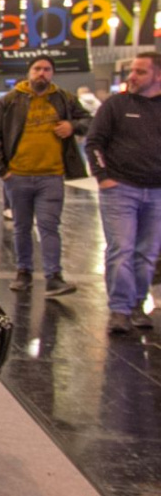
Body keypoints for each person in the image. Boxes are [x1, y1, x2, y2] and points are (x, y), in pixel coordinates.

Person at [0, 54, 91, 297]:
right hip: (17, 176)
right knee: (21, 227)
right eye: (37, 69)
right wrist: (2, 170)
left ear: (52, 73)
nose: (41, 73)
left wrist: (72, 126)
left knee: (49, 227)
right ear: (29, 72)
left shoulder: (64, 98)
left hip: (51, 176)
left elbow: (88, 119)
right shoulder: (10, 100)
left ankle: (54, 277)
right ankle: (23, 272)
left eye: (46, 69)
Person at [84, 52, 161, 334]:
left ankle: (138, 305)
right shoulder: (116, 105)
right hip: (120, 191)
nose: (132, 76)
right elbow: (94, 143)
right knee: (121, 250)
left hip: (156, 193)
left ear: (158, 75)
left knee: (147, 253)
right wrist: (103, 177)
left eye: (140, 72)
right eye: (132, 71)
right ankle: (120, 309)